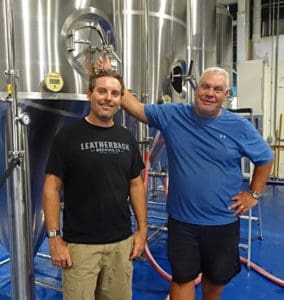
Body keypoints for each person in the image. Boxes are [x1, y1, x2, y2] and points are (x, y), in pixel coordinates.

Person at [96, 58, 274, 300]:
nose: (210, 93)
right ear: (196, 88)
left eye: (217, 89)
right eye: (205, 87)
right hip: (183, 221)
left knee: (215, 278)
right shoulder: (173, 115)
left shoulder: (239, 126)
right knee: (182, 277)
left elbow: (265, 158)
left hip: (222, 220)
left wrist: (254, 194)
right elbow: (136, 108)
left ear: (226, 95)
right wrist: (109, 74)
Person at [42, 69, 147, 300]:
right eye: (102, 91)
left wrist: (142, 230)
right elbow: (51, 187)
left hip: (121, 243)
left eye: (114, 93)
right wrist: (53, 237)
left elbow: (136, 185)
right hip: (80, 247)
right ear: (89, 94)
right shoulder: (67, 136)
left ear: (121, 100)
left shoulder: (126, 137)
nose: (108, 98)